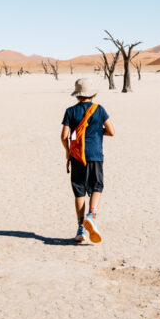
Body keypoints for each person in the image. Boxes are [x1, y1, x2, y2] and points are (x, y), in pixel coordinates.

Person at [60, 77, 115, 243]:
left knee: (79, 191)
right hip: (95, 155)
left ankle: (80, 229)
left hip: (77, 156)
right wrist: (98, 132)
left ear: (77, 94)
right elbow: (111, 131)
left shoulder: (70, 111)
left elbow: (64, 136)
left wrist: (68, 151)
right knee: (97, 186)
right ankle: (91, 215)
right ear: (92, 94)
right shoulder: (99, 109)